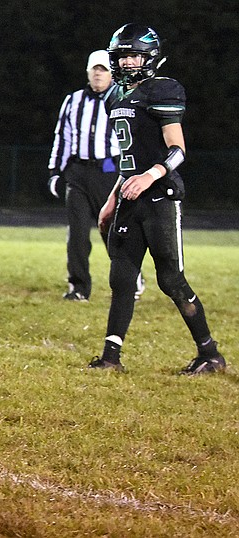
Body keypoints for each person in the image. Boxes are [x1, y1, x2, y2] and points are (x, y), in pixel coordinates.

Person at [89, 24, 226, 375]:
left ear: (149, 57)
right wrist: (111, 198)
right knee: (121, 277)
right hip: (129, 198)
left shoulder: (162, 89)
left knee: (171, 279)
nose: (127, 63)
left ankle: (209, 353)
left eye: (133, 55)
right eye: (121, 56)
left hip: (160, 197)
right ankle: (110, 357)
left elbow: (178, 150)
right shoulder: (116, 96)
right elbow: (127, 160)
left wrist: (151, 175)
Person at [48, 49, 144, 302]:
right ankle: (79, 287)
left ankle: (131, 278)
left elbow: (132, 140)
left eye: (103, 69)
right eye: (95, 69)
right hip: (78, 173)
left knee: (114, 231)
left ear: (112, 73)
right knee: (77, 235)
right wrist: (55, 172)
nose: (99, 74)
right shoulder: (73, 100)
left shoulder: (122, 98)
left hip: (109, 172)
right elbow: (63, 137)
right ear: (88, 72)